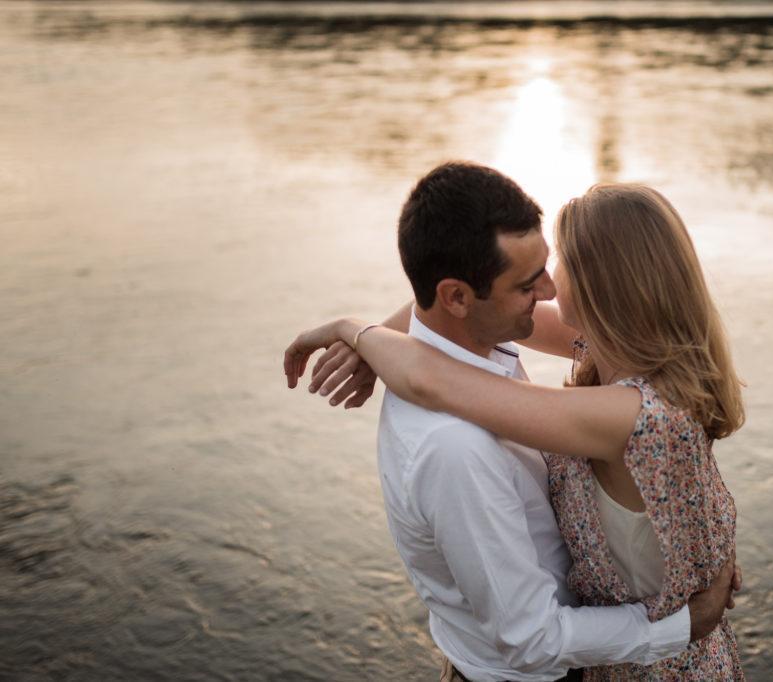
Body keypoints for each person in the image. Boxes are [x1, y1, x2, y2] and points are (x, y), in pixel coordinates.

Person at [284, 162, 741, 681]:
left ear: (603, 289)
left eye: (556, 264)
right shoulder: (614, 348)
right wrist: (371, 338)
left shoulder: (632, 410)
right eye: (531, 279)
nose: (546, 288)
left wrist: (354, 328)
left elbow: (431, 375)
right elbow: (439, 323)